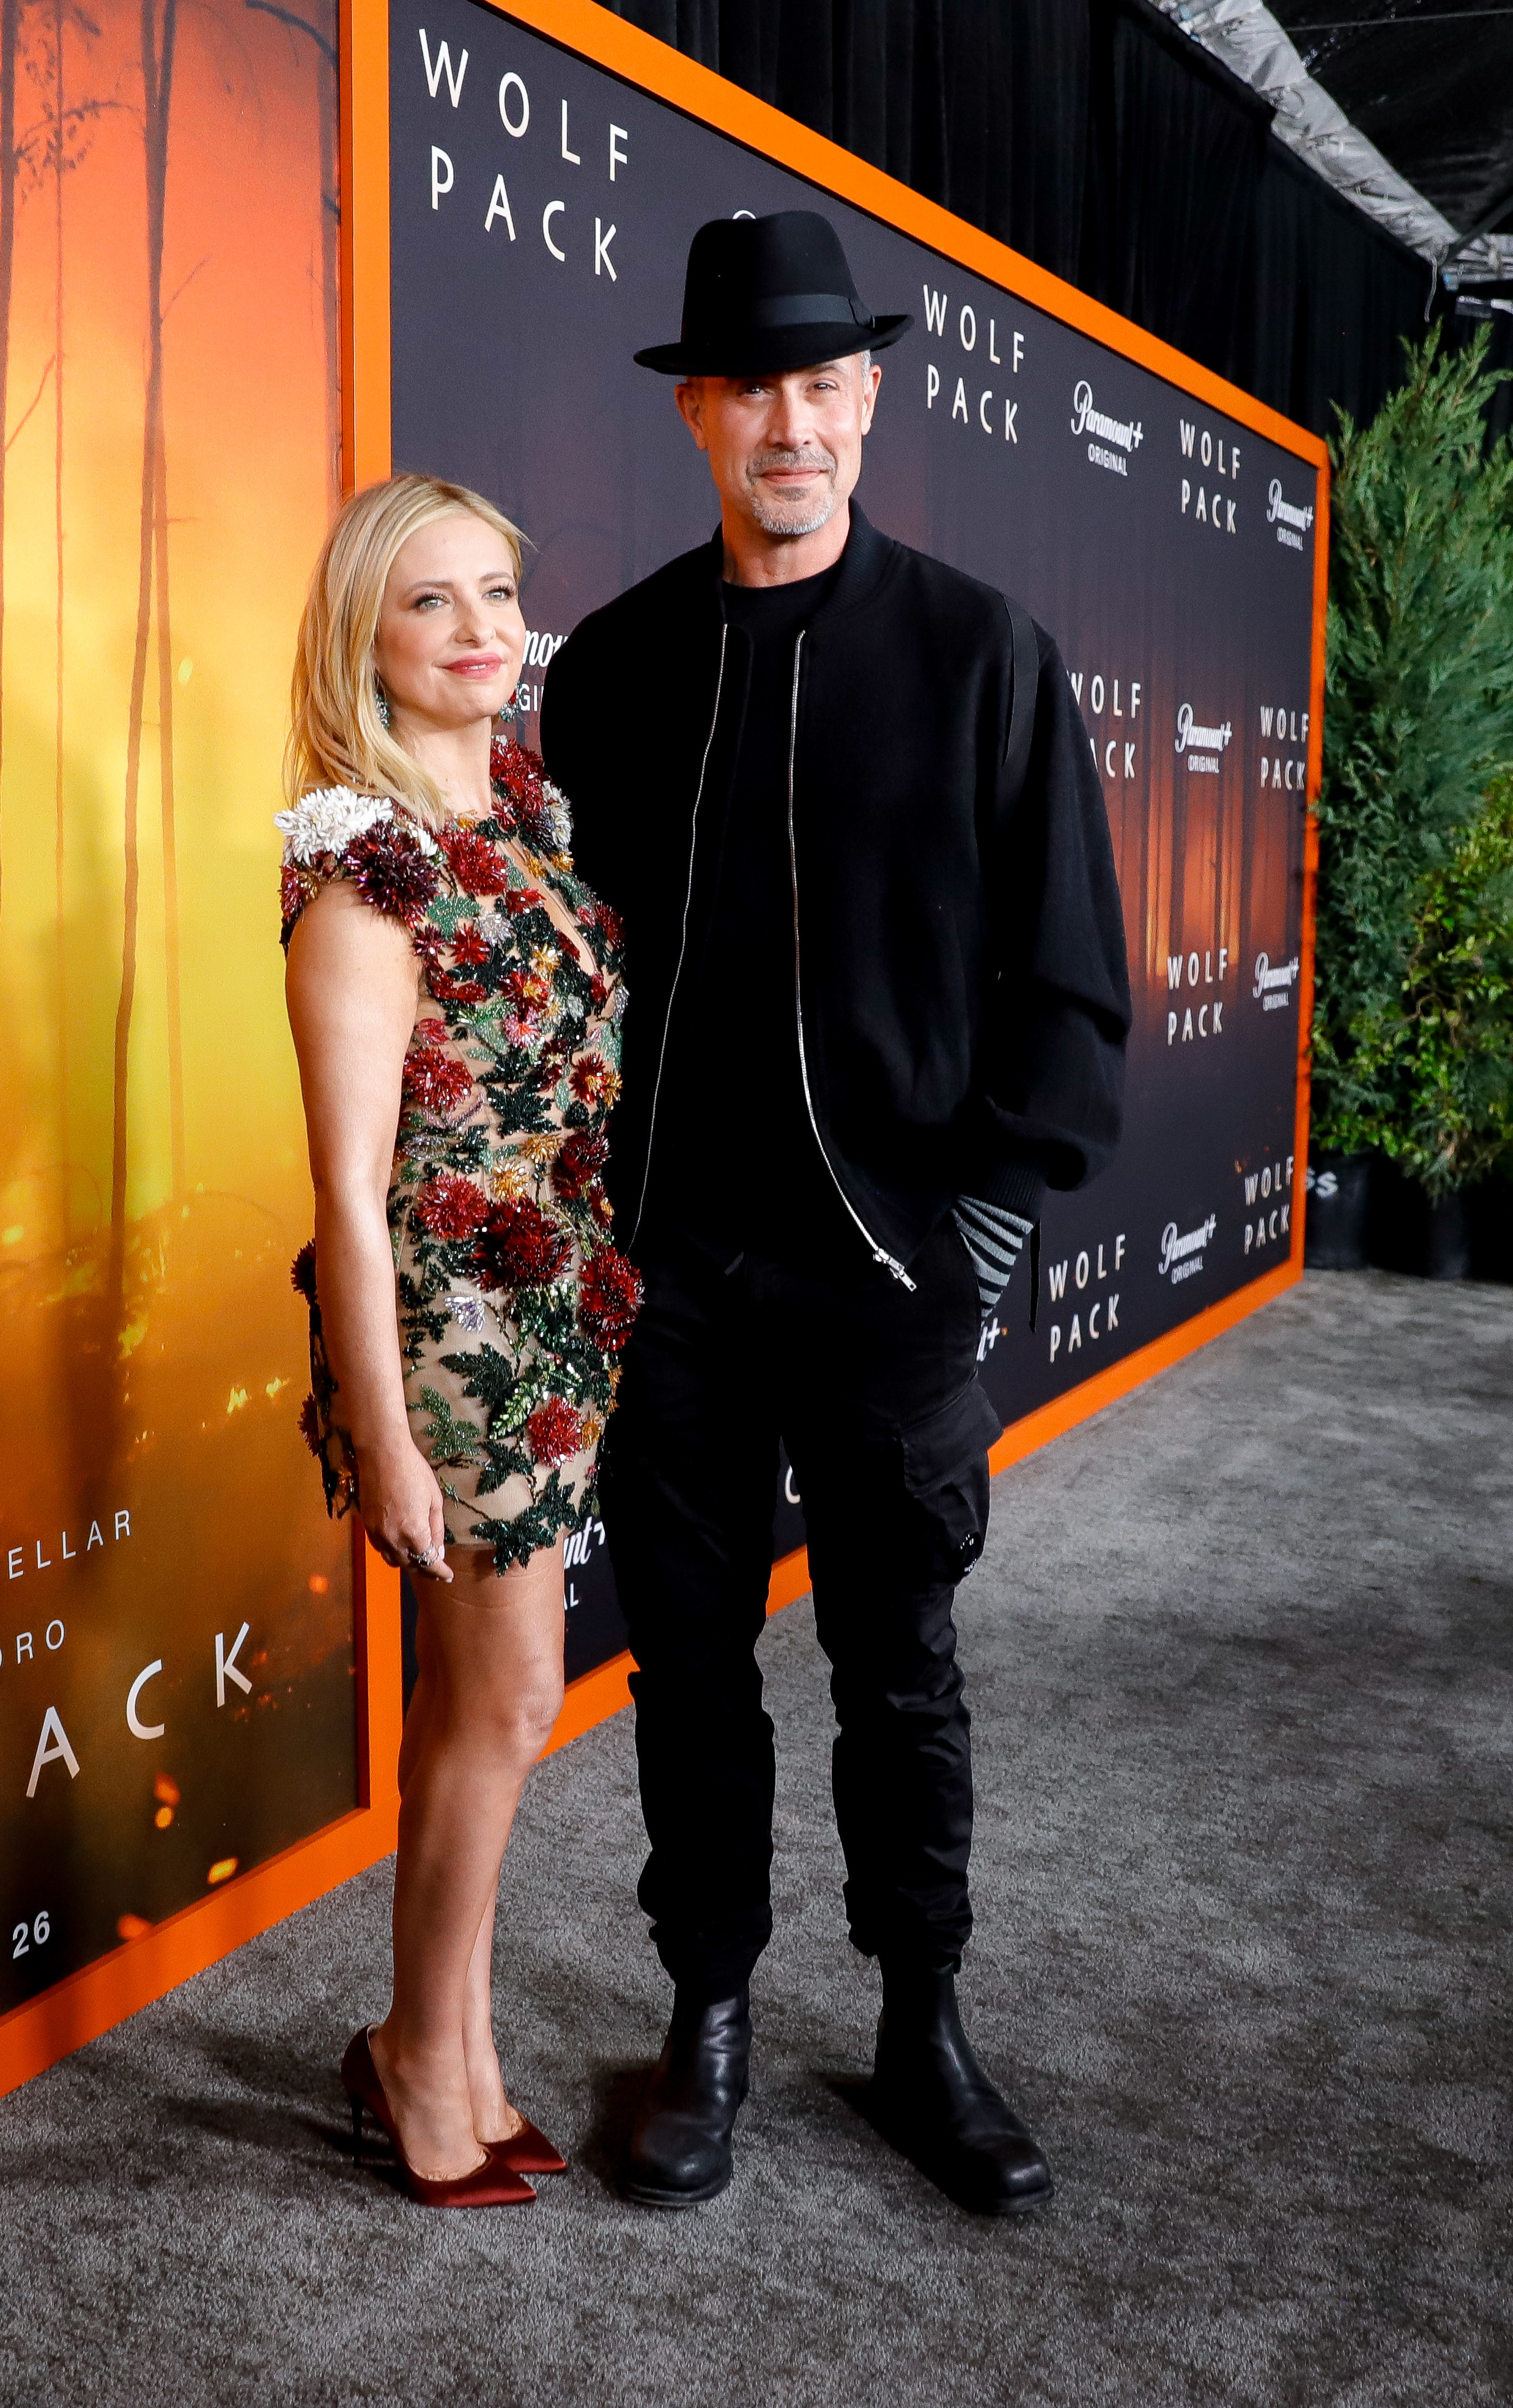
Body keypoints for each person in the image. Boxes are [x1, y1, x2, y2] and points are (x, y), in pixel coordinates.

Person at [541, 212, 1131, 2216]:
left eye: (821, 383)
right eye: (750, 388)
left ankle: (920, 2024)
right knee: (685, 1663)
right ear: (696, 413)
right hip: (673, 1283)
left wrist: (969, 1247)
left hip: (890, 1278)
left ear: (867, 399)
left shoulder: (983, 655)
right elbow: (572, 986)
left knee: (900, 1664)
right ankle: (702, 2006)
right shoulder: (611, 671)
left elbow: (1067, 986)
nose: (787, 421)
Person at [279, 474, 639, 2209]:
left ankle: (457, 2040)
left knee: (480, 1712)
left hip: (560, 1316)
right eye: (433, 601)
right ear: (368, 633)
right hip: (454, 1346)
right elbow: (349, 1189)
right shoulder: (365, 865)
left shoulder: (526, 822)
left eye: (499, 590)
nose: (484, 629)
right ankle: (422, 2058)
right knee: (501, 1704)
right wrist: (386, 1423)